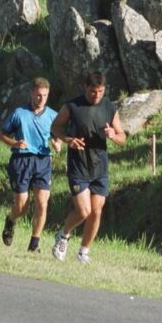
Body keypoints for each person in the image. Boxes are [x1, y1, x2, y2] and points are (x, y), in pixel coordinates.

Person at [50, 71, 126, 264]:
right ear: (85, 88)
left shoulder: (109, 107)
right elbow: (55, 127)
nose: (96, 96)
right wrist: (68, 140)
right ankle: (63, 235)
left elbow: (122, 138)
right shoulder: (72, 106)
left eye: (100, 91)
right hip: (78, 166)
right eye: (93, 91)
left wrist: (112, 135)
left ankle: (84, 251)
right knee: (84, 211)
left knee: (97, 211)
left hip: (100, 167)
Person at [0, 77, 62, 252]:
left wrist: (57, 144)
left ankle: (34, 244)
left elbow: (58, 136)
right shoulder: (19, 113)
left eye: (45, 95)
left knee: (42, 202)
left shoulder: (52, 116)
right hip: (22, 160)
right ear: (32, 93)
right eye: (39, 95)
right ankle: (11, 220)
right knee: (22, 204)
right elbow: (2, 135)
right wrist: (14, 143)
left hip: (42, 160)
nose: (42, 99)